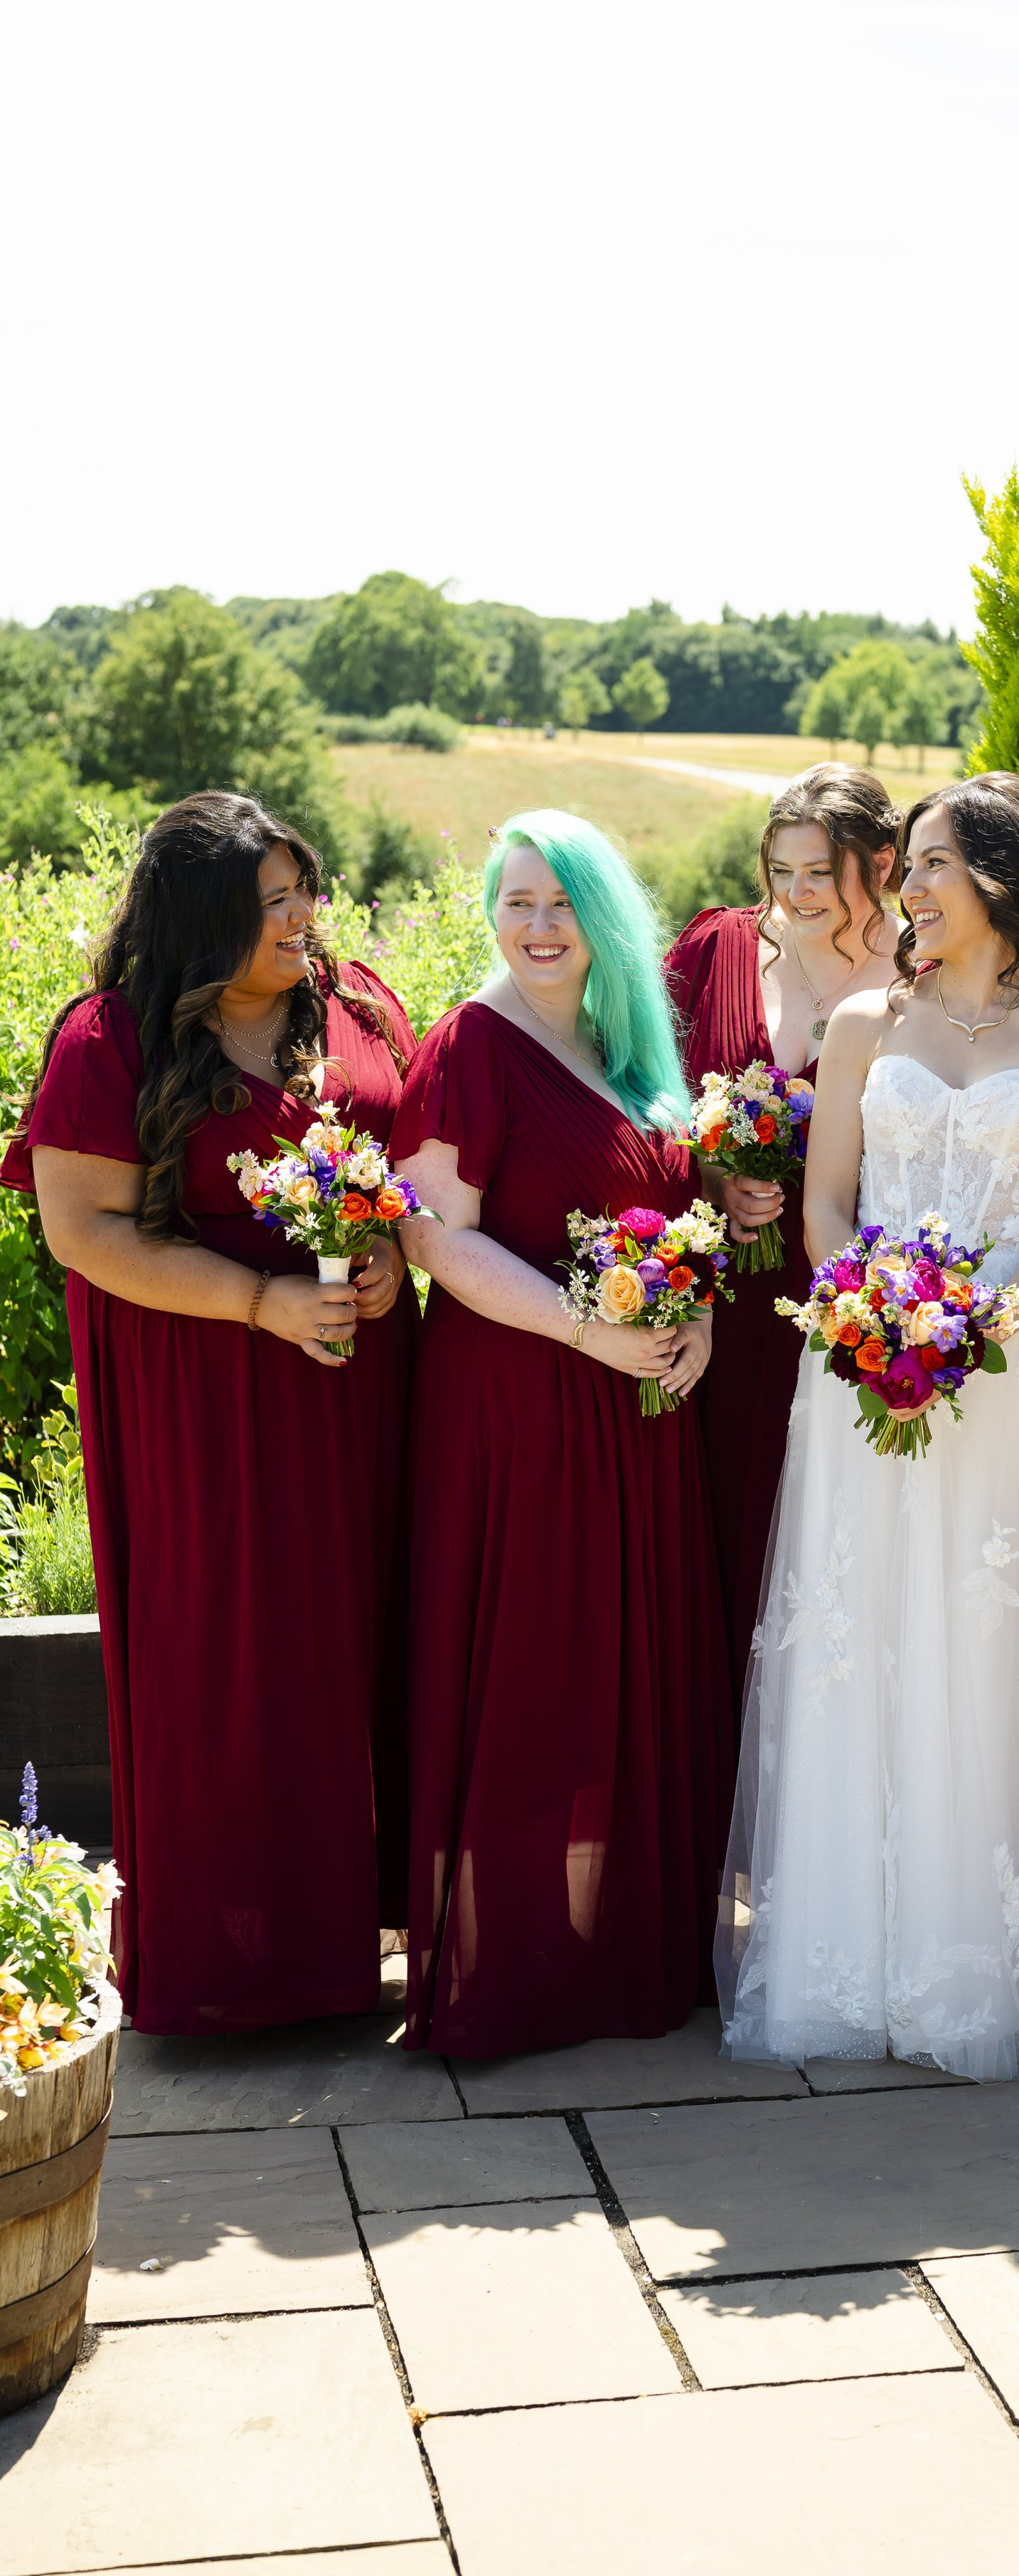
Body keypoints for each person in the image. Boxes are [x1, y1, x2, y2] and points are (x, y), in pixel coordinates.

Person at [717, 781, 1019, 2079]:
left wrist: (970, 1332)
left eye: (938, 864)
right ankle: (845, 1959)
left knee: (985, 1639)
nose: (911, 889)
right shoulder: (860, 1022)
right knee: (859, 1638)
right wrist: (874, 1325)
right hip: (862, 1374)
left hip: (1010, 1377)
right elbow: (827, 1206)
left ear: (1006, 880)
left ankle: (970, 1964)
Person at [1, 791, 418, 2035]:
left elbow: (407, 1168)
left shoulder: (360, 1010)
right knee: (224, 1661)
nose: (301, 919)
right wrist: (258, 1302)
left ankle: (353, 1942)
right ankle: (230, 1972)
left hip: (353, 1392)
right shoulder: (109, 1040)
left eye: (305, 891)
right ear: (199, 921)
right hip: (200, 1396)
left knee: (351, 1648)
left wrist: (389, 1254)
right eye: (269, 902)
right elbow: (83, 1233)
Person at [394, 809, 731, 2059]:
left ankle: (618, 1955)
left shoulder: (624, 1049)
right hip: (519, 1406)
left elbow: (668, 1221)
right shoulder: (470, 1046)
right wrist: (587, 1337)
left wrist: (695, 1324)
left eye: (562, 904)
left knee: (619, 1672)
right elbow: (441, 1240)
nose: (538, 928)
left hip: (635, 1410)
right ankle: (517, 1975)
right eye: (517, 902)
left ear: (606, 923)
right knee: (534, 1672)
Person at [663, 766, 900, 1692]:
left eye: (819, 874)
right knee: (717, 1515)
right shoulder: (715, 949)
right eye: (780, 869)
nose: (794, 895)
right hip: (721, 1292)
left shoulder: (920, 972)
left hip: (843, 1292)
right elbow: (641, 1088)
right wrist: (716, 1173)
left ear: (881, 864)